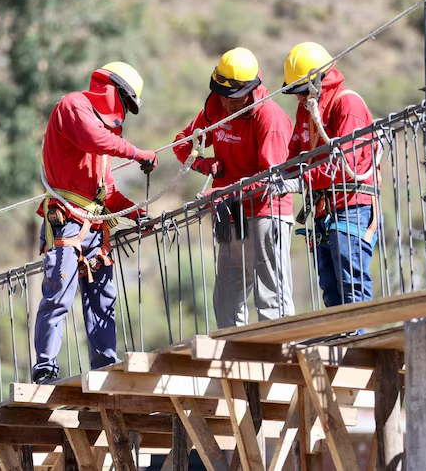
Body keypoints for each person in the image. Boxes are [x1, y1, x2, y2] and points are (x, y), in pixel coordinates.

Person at [33, 61, 157, 383]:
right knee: (59, 295)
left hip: (94, 227)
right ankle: (45, 367)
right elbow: (92, 138)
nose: (123, 113)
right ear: (113, 91)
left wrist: (135, 213)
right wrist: (136, 153)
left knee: (103, 300)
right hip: (67, 222)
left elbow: (107, 191)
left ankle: (105, 369)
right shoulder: (73, 107)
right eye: (125, 103)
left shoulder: (103, 137)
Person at [172, 47, 295, 329]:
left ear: (250, 91)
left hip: (265, 214)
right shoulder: (217, 110)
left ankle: (281, 350)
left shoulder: (270, 118)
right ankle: (234, 352)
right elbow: (181, 143)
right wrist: (203, 163)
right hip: (230, 216)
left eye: (234, 99)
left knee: (270, 296)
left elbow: (271, 179)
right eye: (222, 96)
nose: (227, 105)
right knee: (227, 298)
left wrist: (222, 194)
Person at [272, 42, 379, 313]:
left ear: (318, 80)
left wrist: (301, 180)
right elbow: (295, 154)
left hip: (351, 205)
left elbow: (345, 165)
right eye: (295, 92)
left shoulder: (347, 104)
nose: (298, 98)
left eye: (301, 91)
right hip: (324, 208)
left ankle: (357, 334)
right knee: (330, 287)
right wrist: (279, 176)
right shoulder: (307, 109)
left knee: (351, 282)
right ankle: (340, 336)